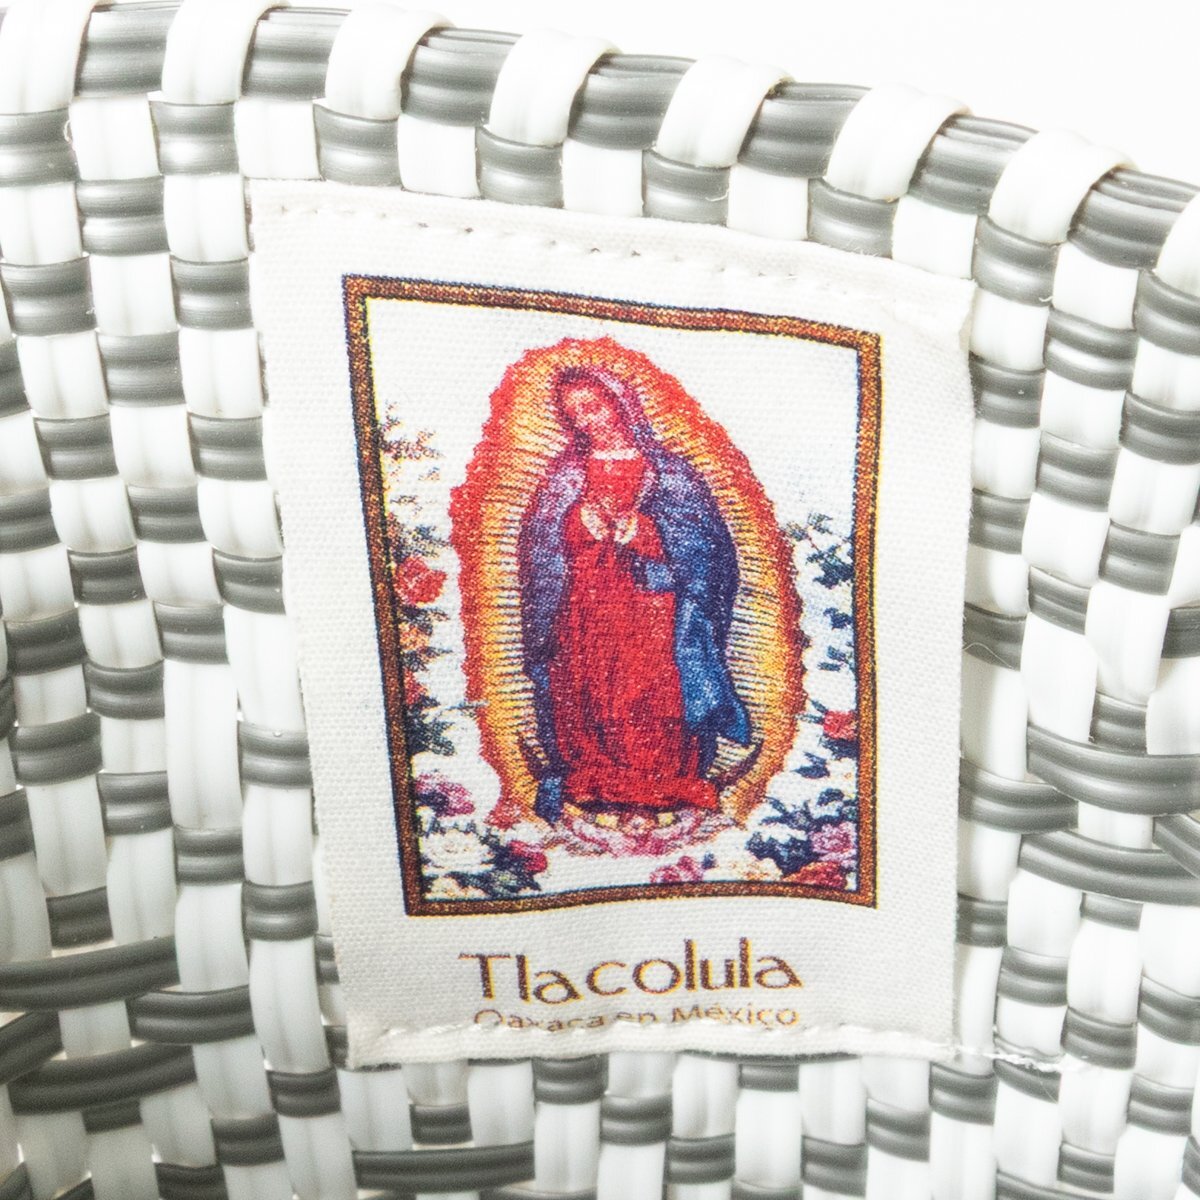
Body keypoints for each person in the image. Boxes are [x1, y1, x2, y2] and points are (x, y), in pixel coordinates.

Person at [518, 364, 751, 824]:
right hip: (584, 602)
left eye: (592, 406)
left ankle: (662, 780)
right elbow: (539, 547)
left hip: (652, 603)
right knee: (588, 686)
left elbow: (706, 548)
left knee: (650, 689)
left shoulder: (670, 472)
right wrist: (576, 523)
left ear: (619, 404)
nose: (586, 419)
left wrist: (643, 532)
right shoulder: (564, 476)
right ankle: (593, 777)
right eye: (573, 413)